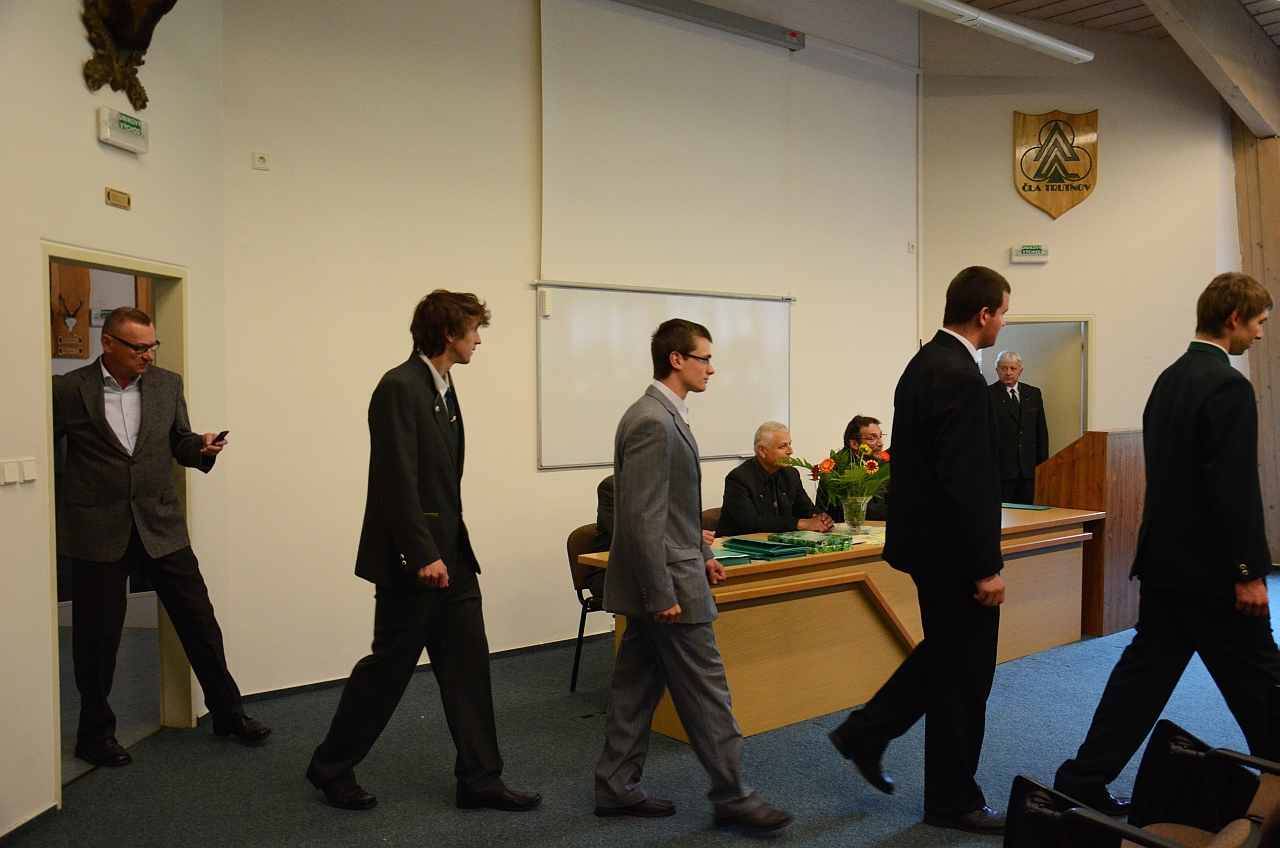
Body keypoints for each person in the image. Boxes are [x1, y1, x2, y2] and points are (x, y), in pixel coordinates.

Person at [306, 291, 540, 813]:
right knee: (388, 670)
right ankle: (330, 766)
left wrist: (445, 551)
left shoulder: (443, 386)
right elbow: (396, 479)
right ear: (448, 333)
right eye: (473, 330)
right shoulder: (399, 386)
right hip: (416, 564)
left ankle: (480, 779)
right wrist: (421, 554)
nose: (479, 340)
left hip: (453, 558)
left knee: (469, 669)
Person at [1054, 273, 1279, 815]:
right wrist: (1248, 572)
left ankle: (1081, 780)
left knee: (1140, 682)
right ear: (1233, 318)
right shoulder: (1227, 386)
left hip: (1163, 565)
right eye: (1258, 323)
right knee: (1262, 684)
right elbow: (1233, 488)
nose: (1260, 335)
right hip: (1213, 576)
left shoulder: (1170, 378)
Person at [827, 266, 1011, 835]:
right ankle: (953, 801)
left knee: (949, 658)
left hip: (928, 547)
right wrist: (984, 566)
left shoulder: (924, 362)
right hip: (954, 555)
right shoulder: (958, 374)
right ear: (984, 314)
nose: (1004, 324)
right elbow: (963, 481)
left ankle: (866, 732)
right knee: (966, 676)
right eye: (1003, 313)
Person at [593, 319, 791, 835]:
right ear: (676, 359)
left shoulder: (663, 414)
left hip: (674, 571)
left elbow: (671, 509)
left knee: (635, 688)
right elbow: (640, 517)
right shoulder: (652, 421)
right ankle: (734, 797)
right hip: (667, 587)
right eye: (704, 358)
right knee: (707, 691)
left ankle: (615, 786)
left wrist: (701, 553)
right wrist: (661, 591)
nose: (712, 368)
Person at [52, 307, 270, 768]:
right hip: (97, 530)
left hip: (160, 524)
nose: (148, 355)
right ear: (108, 343)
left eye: (152, 346)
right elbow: (45, 448)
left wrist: (201, 446)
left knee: (199, 622)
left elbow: (178, 441)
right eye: (139, 347)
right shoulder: (69, 389)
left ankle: (228, 714)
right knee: (96, 640)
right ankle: (95, 736)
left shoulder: (167, 384)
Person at [715, 422, 833, 537]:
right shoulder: (738, 479)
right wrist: (801, 524)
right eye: (783, 446)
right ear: (762, 451)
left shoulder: (790, 474)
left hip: (779, 542)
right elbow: (752, 523)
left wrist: (822, 518)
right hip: (739, 545)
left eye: (790, 444)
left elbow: (806, 509)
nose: (790, 451)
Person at [988, 351, 1049, 505]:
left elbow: (1041, 432)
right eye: (1004, 368)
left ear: (1020, 371)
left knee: (1026, 510)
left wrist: (1043, 466)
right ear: (997, 370)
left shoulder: (1033, 394)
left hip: (1028, 469)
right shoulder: (988, 394)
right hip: (1002, 469)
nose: (1008, 373)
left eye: (1013, 368)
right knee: (1004, 511)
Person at [816, 416, 891, 523]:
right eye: (872, 438)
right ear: (854, 444)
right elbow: (858, 508)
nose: (881, 443)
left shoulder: (879, 464)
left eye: (880, 436)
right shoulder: (840, 466)